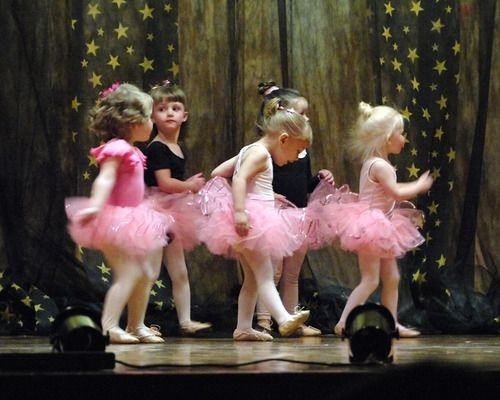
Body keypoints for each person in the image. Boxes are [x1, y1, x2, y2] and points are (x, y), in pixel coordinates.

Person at [65, 83, 173, 344]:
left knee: (147, 273)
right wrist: (96, 205)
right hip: (115, 220)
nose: (152, 122)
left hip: (135, 217)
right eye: (148, 117)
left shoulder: (134, 150)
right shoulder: (118, 148)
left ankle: (136, 325)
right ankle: (109, 327)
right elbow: (106, 178)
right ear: (133, 121)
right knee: (129, 273)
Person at [199, 98, 313, 341]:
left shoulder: (248, 150)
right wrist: (240, 211)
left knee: (252, 278)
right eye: (295, 152)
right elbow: (239, 178)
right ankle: (283, 318)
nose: (294, 159)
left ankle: (243, 328)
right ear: (283, 139)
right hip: (252, 223)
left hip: (249, 221)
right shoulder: (261, 154)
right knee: (264, 274)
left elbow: (218, 173)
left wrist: (250, 197)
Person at [332, 101, 433, 338]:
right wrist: (418, 186)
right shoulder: (381, 166)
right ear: (388, 137)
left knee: (392, 277)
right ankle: (344, 321)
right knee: (370, 279)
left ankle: (392, 322)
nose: (404, 139)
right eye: (401, 134)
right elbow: (396, 193)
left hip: (381, 225)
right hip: (372, 227)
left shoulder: (373, 162)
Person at [253, 81, 334, 337]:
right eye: (303, 113)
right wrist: (270, 195)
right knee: (272, 271)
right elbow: (256, 178)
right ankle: (264, 321)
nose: (307, 117)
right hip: (276, 216)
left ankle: (290, 321)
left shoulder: (302, 151)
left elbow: (305, 184)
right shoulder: (269, 149)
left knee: (292, 274)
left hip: (299, 215)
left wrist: (320, 177)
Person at [142, 80, 212, 336]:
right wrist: (189, 185)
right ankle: (137, 323)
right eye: (162, 109)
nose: (169, 112)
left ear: (185, 115)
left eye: (175, 107)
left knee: (179, 271)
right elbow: (164, 183)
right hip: (155, 211)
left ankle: (185, 321)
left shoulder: (176, 147)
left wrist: (185, 187)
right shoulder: (157, 148)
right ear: (152, 116)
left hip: (173, 213)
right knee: (149, 271)